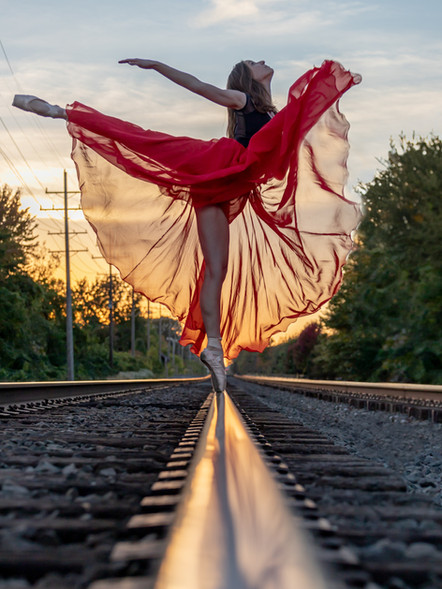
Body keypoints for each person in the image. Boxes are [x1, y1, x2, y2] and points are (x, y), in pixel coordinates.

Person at [12, 58, 362, 394]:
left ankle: (214, 351)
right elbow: (199, 86)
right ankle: (60, 111)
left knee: (217, 270)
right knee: (150, 142)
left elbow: (295, 127)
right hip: (216, 167)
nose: (262, 61)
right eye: (254, 62)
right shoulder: (242, 99)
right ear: (246, 77)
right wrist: (158, 66)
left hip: (227, 186)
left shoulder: (271, 111)